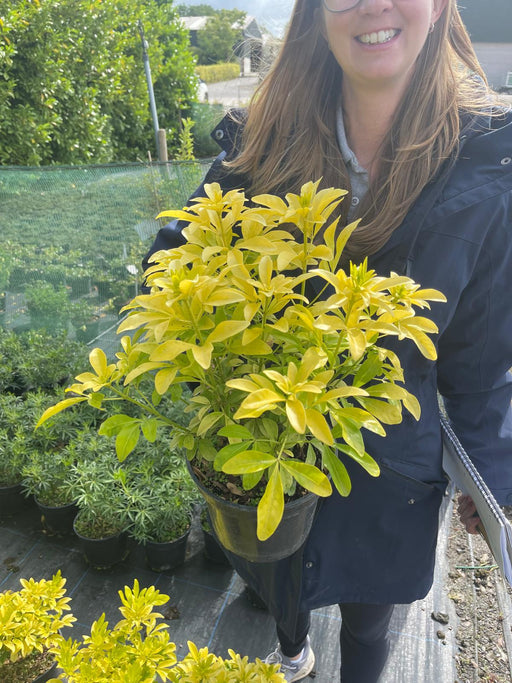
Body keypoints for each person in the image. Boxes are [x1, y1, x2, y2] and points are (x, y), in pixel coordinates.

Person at [144, 0, 512, 680]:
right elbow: (173, 253)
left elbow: (482, 361)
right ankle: (292, 650)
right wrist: (187, 314)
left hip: (388, 460)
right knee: (280, 582)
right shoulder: (266, 136)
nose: (372, 4)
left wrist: (495, 481)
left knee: (370, 619)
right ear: (315, 13)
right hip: (265, 441)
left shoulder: (487, 164)